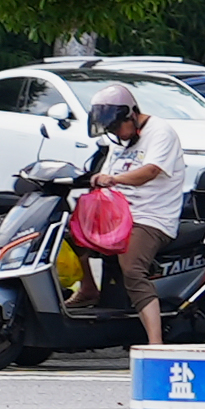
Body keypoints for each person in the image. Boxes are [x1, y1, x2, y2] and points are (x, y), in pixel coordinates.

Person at [71, 84, 184, 345]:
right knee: (70, 234)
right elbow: (106, 173)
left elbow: (150, 172)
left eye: (117, 127)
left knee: (132, 269)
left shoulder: (160, 132)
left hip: (151, 217)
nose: (116, 134)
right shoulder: (118, 140)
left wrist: (113, 179)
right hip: (118, 213)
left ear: (132, 115)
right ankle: (88, 289)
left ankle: (156, 345)